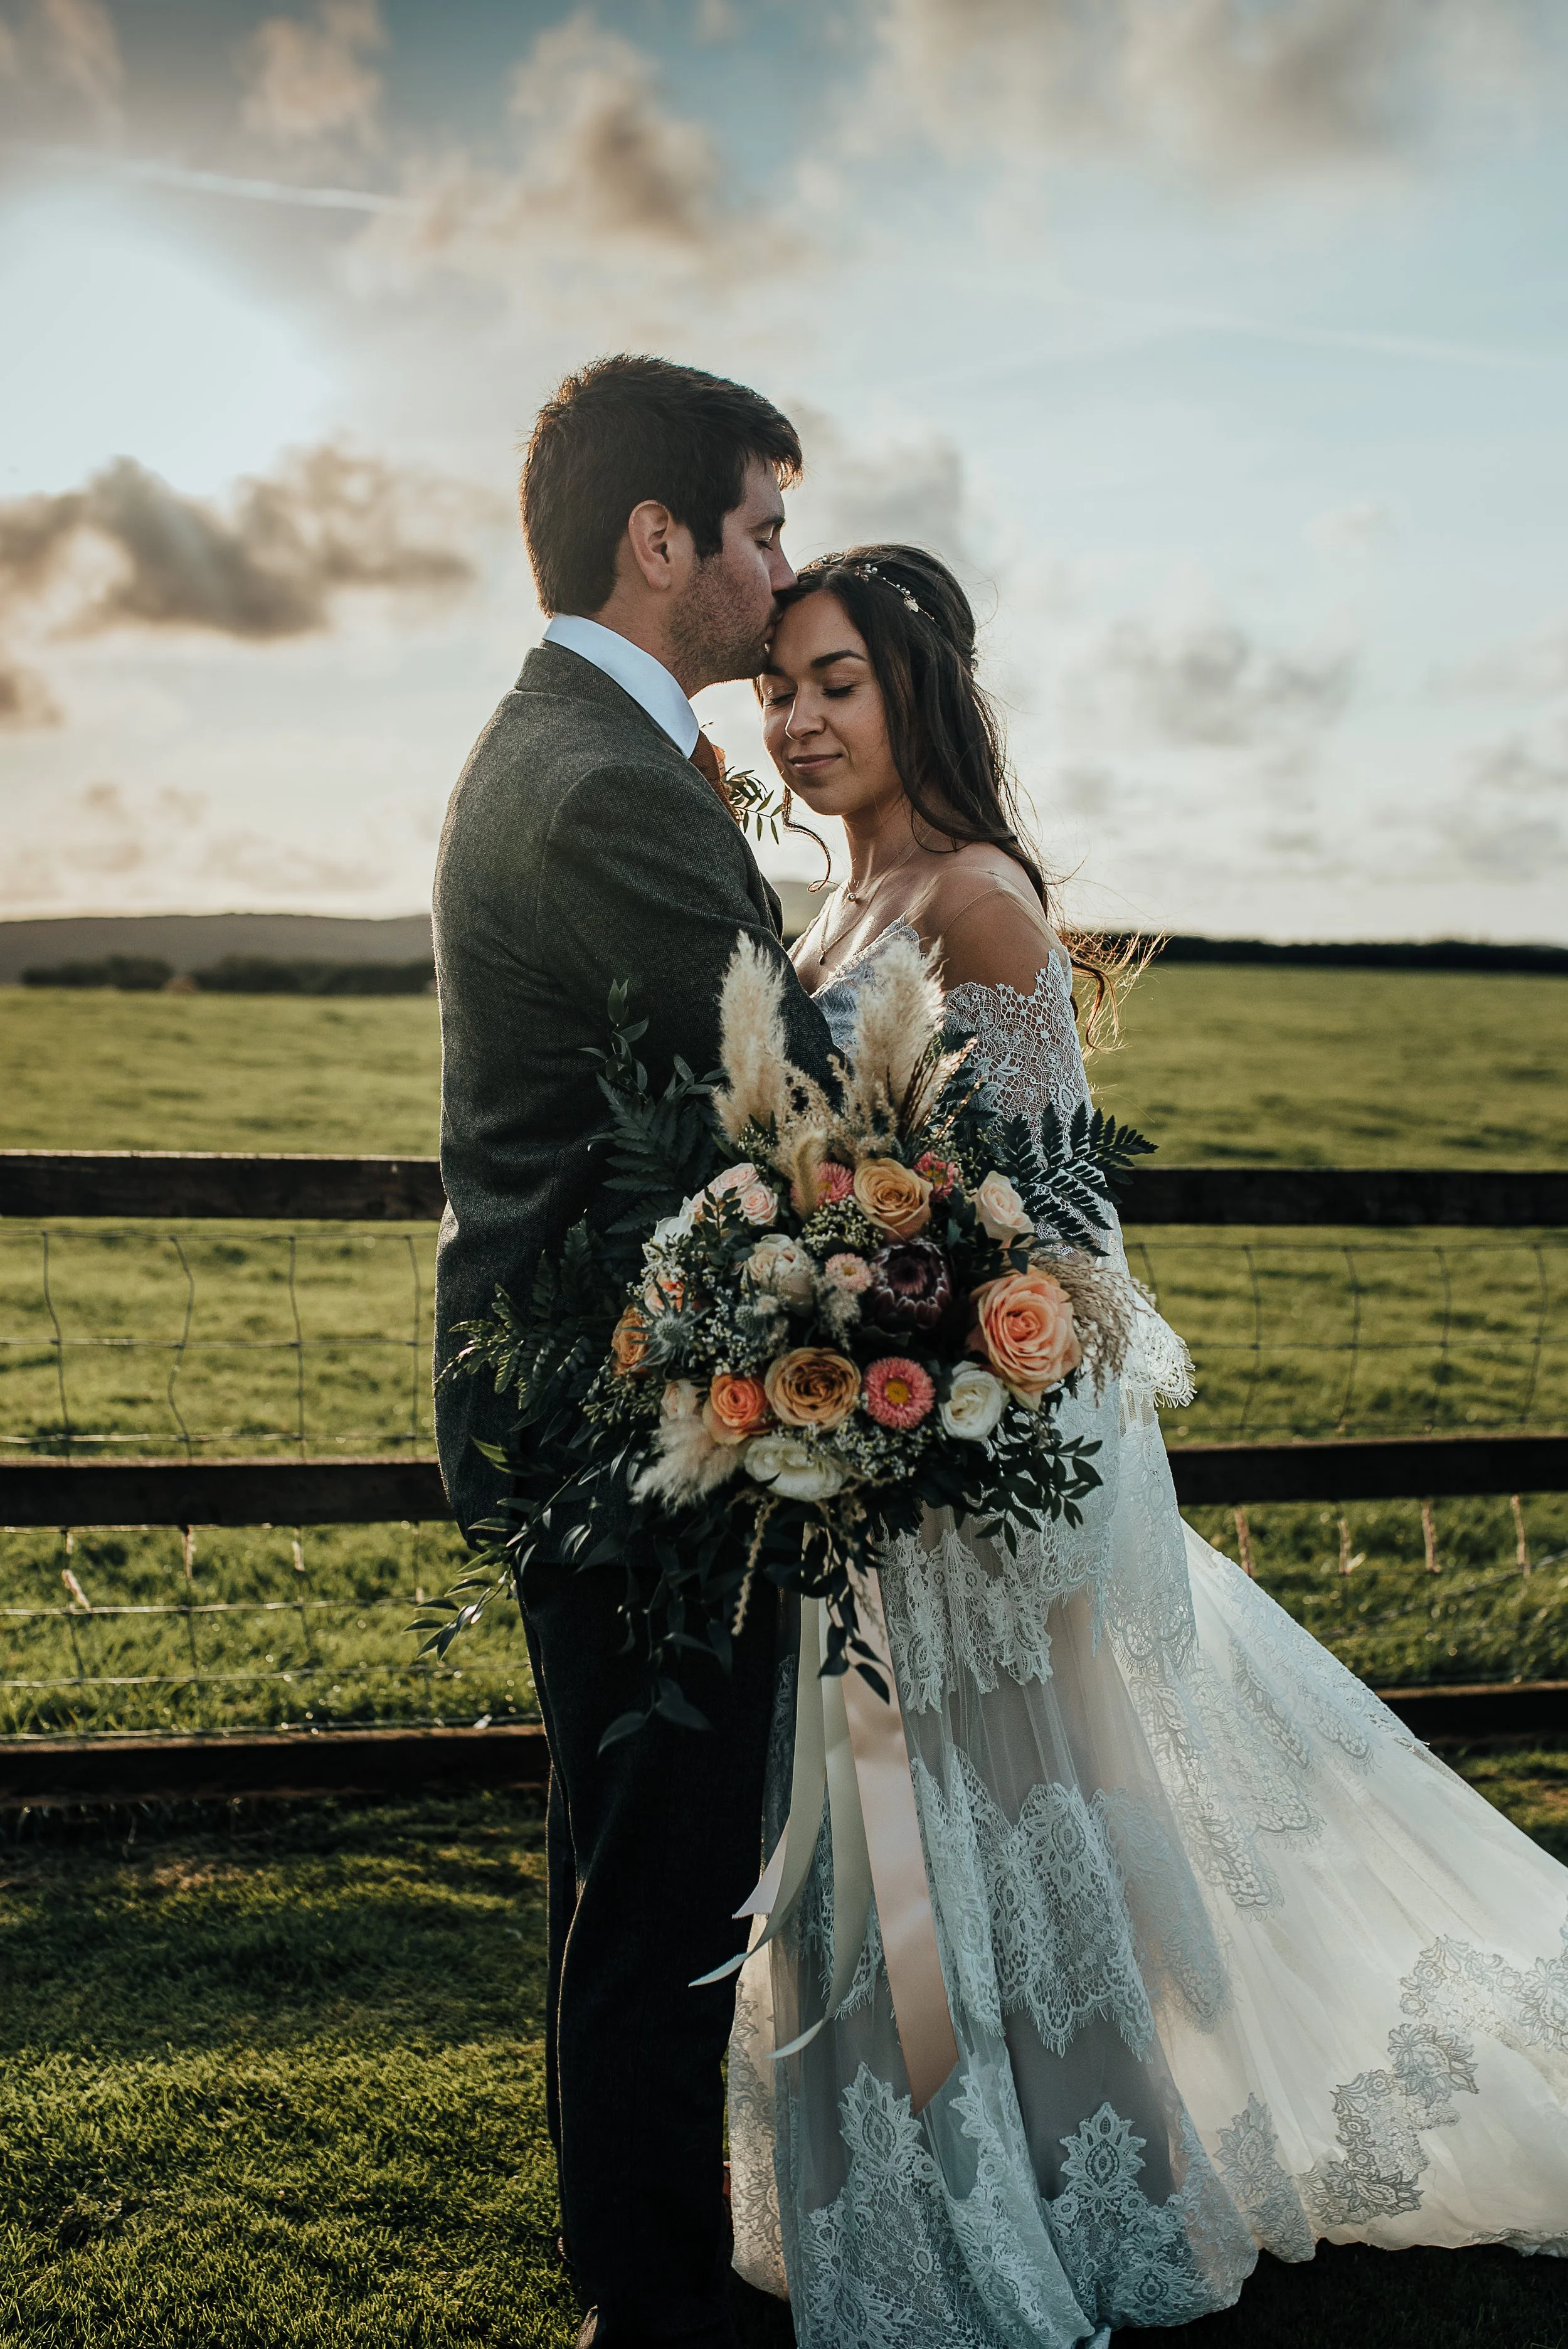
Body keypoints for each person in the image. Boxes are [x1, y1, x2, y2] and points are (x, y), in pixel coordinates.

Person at [725, 544, 1568, 2346]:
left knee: (1017, 1830)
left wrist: (908, 1342)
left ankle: (1097, 2183)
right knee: (888, 1836)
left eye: (835, 683)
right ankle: (912, 2174)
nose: (797, 721)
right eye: (778, 687)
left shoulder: (973, 901)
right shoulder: (828, 910)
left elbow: (1052, 1226)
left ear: (916, 694)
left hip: (978, 1462)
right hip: (862, 1459)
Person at [432, 356, 838, 2349]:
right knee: (662, 1893)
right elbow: (797, 1076)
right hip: (630, 1411)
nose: (783, 566)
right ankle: (655, 2314)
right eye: (761, 525)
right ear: (654, 539)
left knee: (630, 1868)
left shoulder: (583, 738)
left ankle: (647, 2281)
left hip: (596, 1397)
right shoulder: (597, 774)